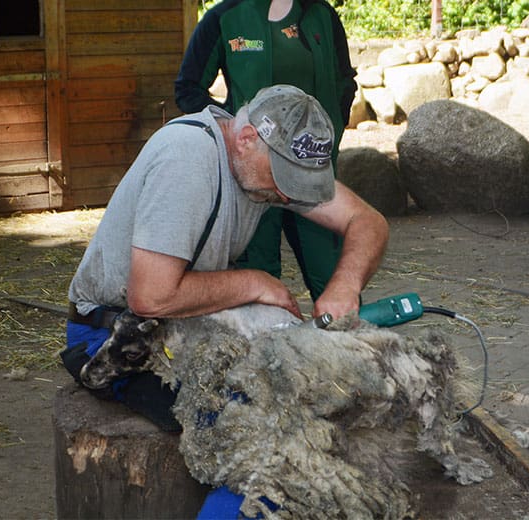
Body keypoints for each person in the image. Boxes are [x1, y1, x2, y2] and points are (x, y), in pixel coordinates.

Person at [62, 84, 387, 518]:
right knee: (266, 429)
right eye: (285, 179)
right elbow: (151, 295)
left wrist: (345, 284)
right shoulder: (189, 158)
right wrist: (253, 282)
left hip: (189, 322)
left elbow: (367, 220)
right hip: (114, 335)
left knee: (318, 391)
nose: (289, 196)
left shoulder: (259, 166)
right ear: (248, 137)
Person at [175, 0, 357, 302]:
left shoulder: (320, 14)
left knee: (330, 273)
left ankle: (345, 344)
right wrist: (235, 133)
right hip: (254, 176)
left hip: (310, 171)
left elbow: (344, 82)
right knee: (256, 275)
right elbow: (188, 88)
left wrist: (330, 133)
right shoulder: (225, 17)